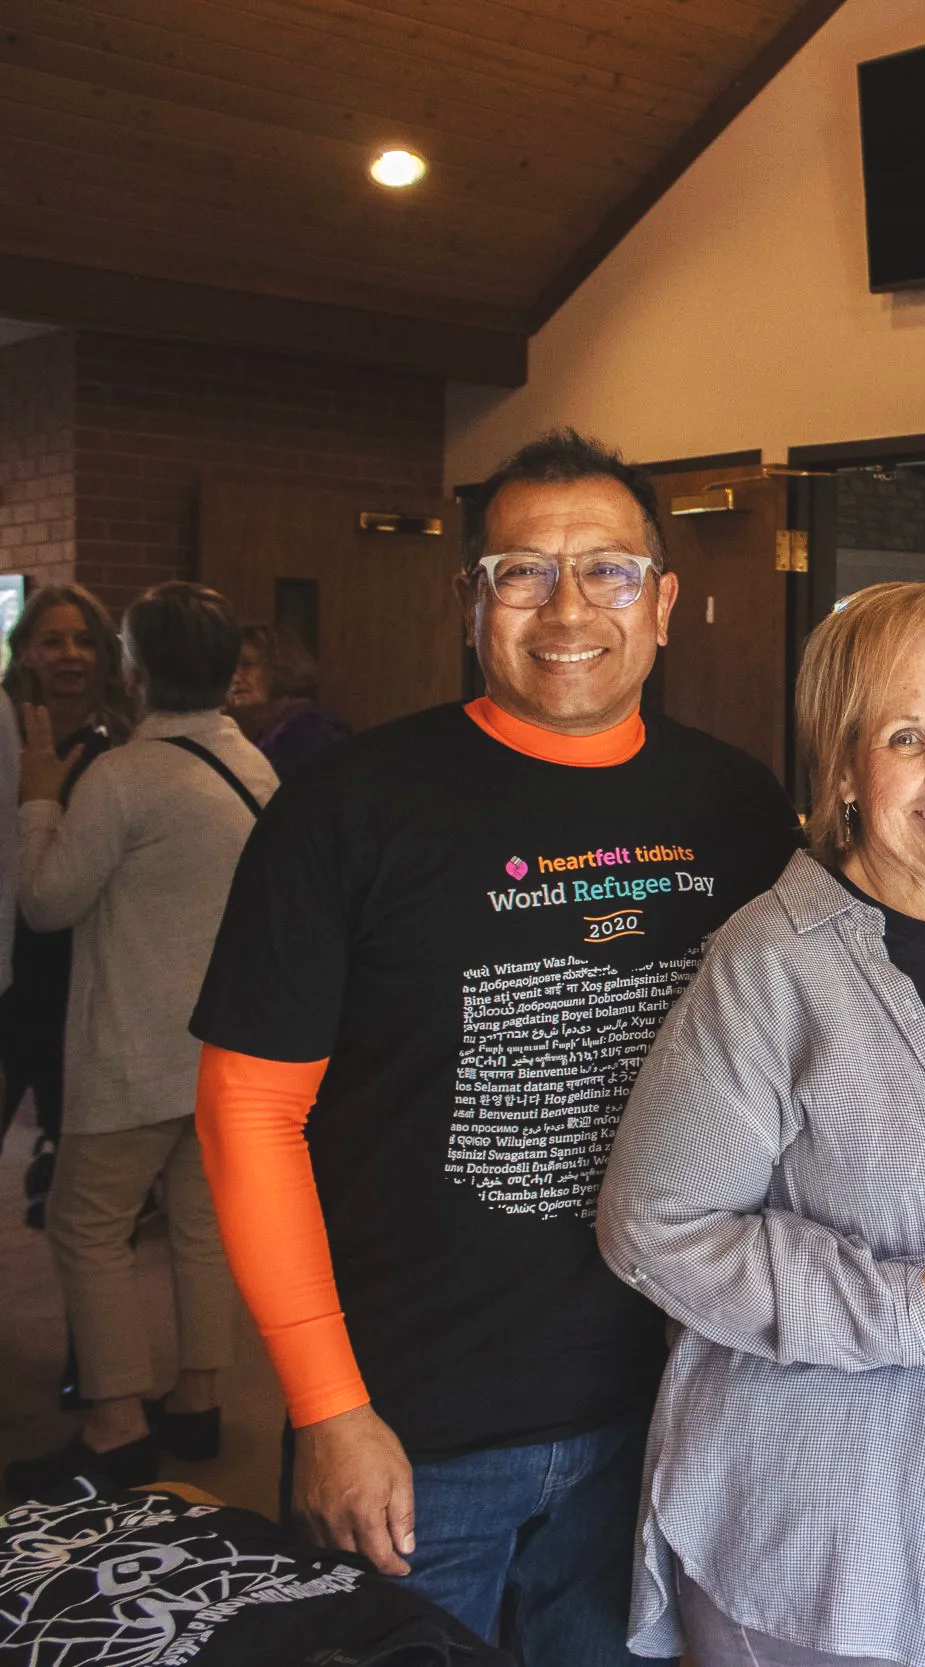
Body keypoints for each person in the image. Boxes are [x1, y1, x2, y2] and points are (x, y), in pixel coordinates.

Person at [189, 429, 799, 1662]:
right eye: (523, 570)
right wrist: (326, 1404)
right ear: (470, 600)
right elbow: (248, 1112)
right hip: (413, 1434)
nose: (567, 608)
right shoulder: (347, 807)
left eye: (608, 570)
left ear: (662, 602)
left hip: (663, 1407)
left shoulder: (736, 807)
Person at [599, 582, 925, 1667]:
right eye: (905, 737)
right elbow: (653, 1227)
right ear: (843, 767)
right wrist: (914, 1308)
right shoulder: (774, 960)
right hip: (818, 1510)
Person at [5, 582, 271, 1500]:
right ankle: (197, 1401)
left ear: (135, 667)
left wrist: (39, 801)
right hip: (226, 1050)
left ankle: (115, 1421)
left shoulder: (124, 776)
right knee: (201, 1227)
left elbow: (47, 900)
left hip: (133, 1052)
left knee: (85, 1225)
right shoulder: (257, 769)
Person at [0, 584, 130, 1230]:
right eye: (52, 641)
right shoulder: (6, 736)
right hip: (7, 962)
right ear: (25, 652)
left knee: (77, 1165)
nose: (70, 654)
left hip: (81, 973)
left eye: (83, 640)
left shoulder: (125, 747)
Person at [227, 622, 351, 779]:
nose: (234, 676)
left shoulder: (310, 731)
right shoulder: (271, 733)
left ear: (280, 667)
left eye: (247, 665)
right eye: (230, 667)